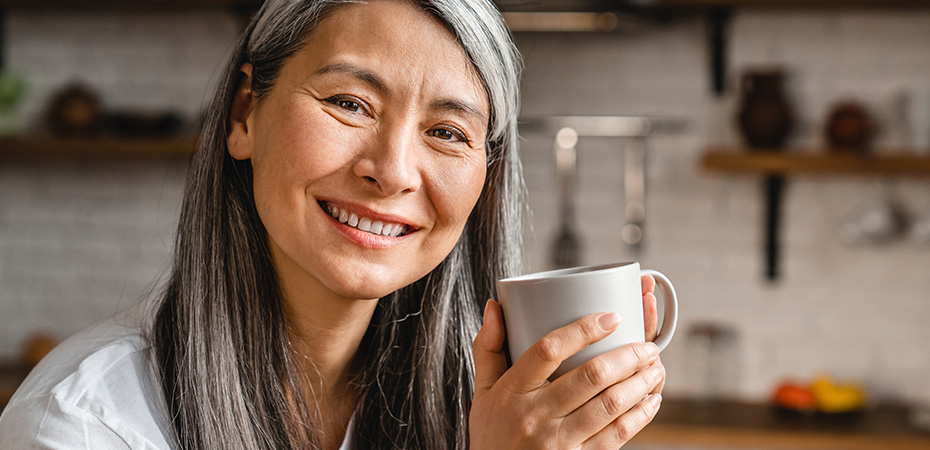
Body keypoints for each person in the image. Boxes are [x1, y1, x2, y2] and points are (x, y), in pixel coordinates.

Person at [0, 0, 666, 449]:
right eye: (350, 102)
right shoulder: (83, 424)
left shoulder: (493, 413)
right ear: (242, 115)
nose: (394, 170)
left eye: (446, 132)